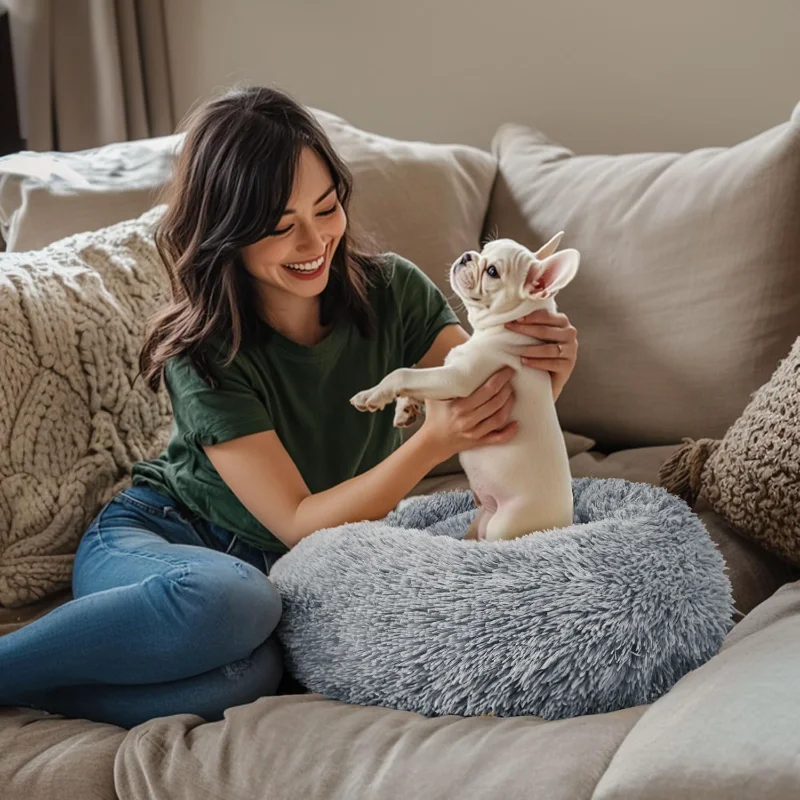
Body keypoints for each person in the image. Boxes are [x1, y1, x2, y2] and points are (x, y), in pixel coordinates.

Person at [0, 86, 579, 728]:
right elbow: (300, 522)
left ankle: (33, 687)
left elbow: (484, 416)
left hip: (264, 589)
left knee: (249, 676)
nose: (314, 241)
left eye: (326, 208)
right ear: (228, 232)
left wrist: (541, 377)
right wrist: (430, 443)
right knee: (236, 602)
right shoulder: (206, 353)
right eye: (280, 226)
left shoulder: (397, 293)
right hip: (158, 544)